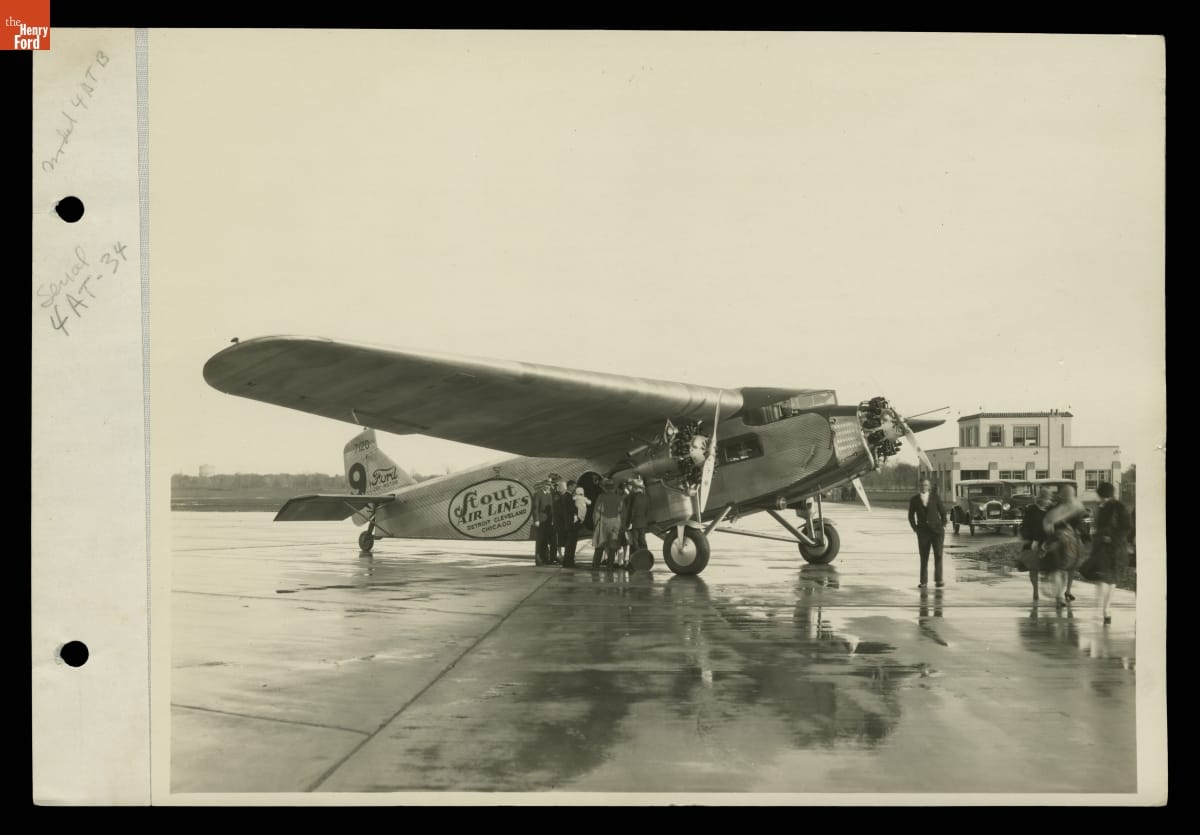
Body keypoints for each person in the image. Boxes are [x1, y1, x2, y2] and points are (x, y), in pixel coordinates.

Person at [1081, 482, 1132, 625]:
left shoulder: (1116, 507)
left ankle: (1104, 608)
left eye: (1100, 495)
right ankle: (1105, 609)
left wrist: (1111, 538)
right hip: (1108, 547)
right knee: (1108, 579)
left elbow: (1126, 527)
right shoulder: (1108, 507)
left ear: (1102, 494)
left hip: (1112, 548)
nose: (1100, 498)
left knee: (1106, 578)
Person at [1042, 484, 1087, 607]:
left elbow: (1047, 525)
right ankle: (1060, 595)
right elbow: (1079, 526)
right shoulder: (1075, 508)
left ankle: (1061, 595)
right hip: (1066, 544)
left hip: (1058, 543)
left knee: (1059, 570)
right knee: (1063, 570)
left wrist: (1048, 540)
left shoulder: (1054, 509)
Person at [907, 478, 948, 589]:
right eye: (921, 485)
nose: (923, 487)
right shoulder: (914, 499)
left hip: (937, 532)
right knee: (924, 557)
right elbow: (910, 516)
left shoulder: (935, 497)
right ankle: (923, 582)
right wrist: (915, 528)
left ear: (929, 487)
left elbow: (943, 512)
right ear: (919, 486)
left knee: (938, 555)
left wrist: (943, 525)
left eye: (925, 485)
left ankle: (939, 580)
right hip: (923, 533)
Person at [1018, 487, 1054, 600]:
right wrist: (1029, 538)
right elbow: (1025, 526)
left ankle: (1046, 578)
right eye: (1046, 499)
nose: (1047, 502)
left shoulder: (1051, 510)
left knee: (1052, 563)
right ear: (1040, 498)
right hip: (1033, 540)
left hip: (1047, 540)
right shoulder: (1031, 510)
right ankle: (1035, 590)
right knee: (1033, 567)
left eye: (1049, 499)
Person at [591, 478, 625, 570]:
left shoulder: (601, 497)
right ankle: (610, 566)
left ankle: (595, 566)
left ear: (605, 488)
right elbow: (623, 513)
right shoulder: (619, 498)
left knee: (599, 546)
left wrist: (596, 524)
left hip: (603, 524)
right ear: (614, 488)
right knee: (613, 546)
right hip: (615, 524)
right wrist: (622, 526)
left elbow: (596, 512)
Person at [624, 474, 650, 572]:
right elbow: (647, 511)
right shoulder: (646, 497)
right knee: (643, 542)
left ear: (635, 488)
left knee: (634, 543)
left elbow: (632, 511)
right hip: (643, 523)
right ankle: (645, 561)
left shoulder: (634, 498)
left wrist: (629, 522)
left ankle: (633, 564)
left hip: (635, 523)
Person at [531, 479, 557, 566]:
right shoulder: (538, 494)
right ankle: (538, 559)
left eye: (549, 485)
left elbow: (552, 509)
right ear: (543, 485)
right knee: (540, 540)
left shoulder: (550, 495)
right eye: (546, 485)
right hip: (541, 521)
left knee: (546, 540)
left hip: (548, 521)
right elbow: (535, 508)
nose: (548, 487)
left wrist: (553, 520)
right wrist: (536, 520)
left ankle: (546, 559)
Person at [554, 478, 578, 567]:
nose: (575, 488)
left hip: (565, 524)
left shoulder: (563, 497)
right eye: (574, 486)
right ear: (569, 487)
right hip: (570, 524)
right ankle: (569, 562)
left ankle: (566, 561)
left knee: (568, 544)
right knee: (571, 544)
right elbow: (573, 510)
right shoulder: (569, 497)